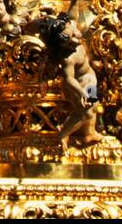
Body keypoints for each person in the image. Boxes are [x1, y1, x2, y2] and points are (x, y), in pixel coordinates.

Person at [42, 14, 101, 149]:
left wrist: (74, 0)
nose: (75, 40)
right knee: (85, 113)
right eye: (69, 41)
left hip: (91, 81)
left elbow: (73, 14)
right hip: (79, 86)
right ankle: (63, 134)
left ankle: (90, 133)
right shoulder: (68, 58)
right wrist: (81, 93)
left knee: (94, 105)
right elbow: (69, 79)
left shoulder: (71, 26)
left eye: (74, 34)